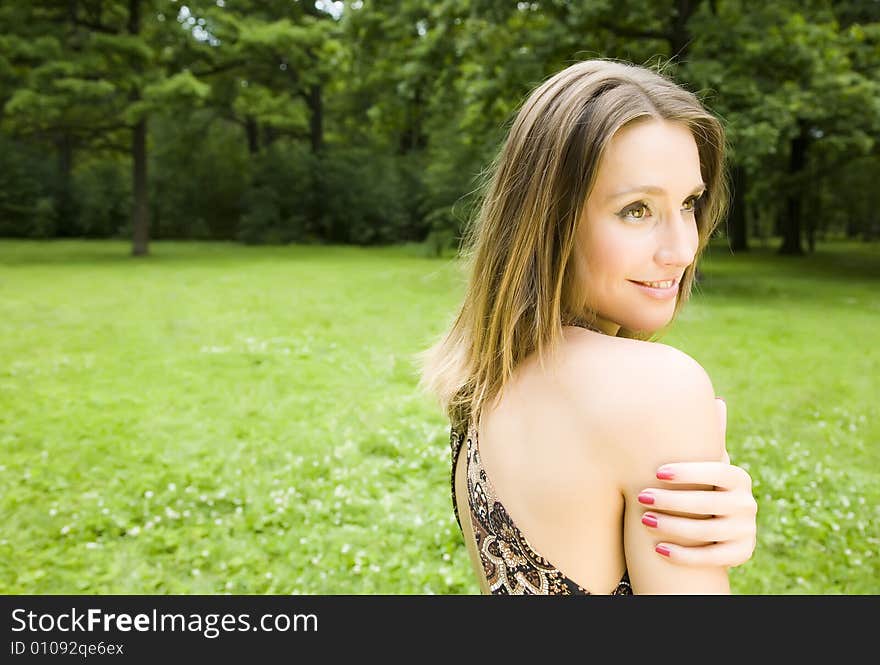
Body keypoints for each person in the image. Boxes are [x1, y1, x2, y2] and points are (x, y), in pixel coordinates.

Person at [416, 59, 758, 594]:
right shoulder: (658, 388)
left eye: (689, 203)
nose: (683, 249)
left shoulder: (485, 377)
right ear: (551, 220)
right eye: (637, 210)